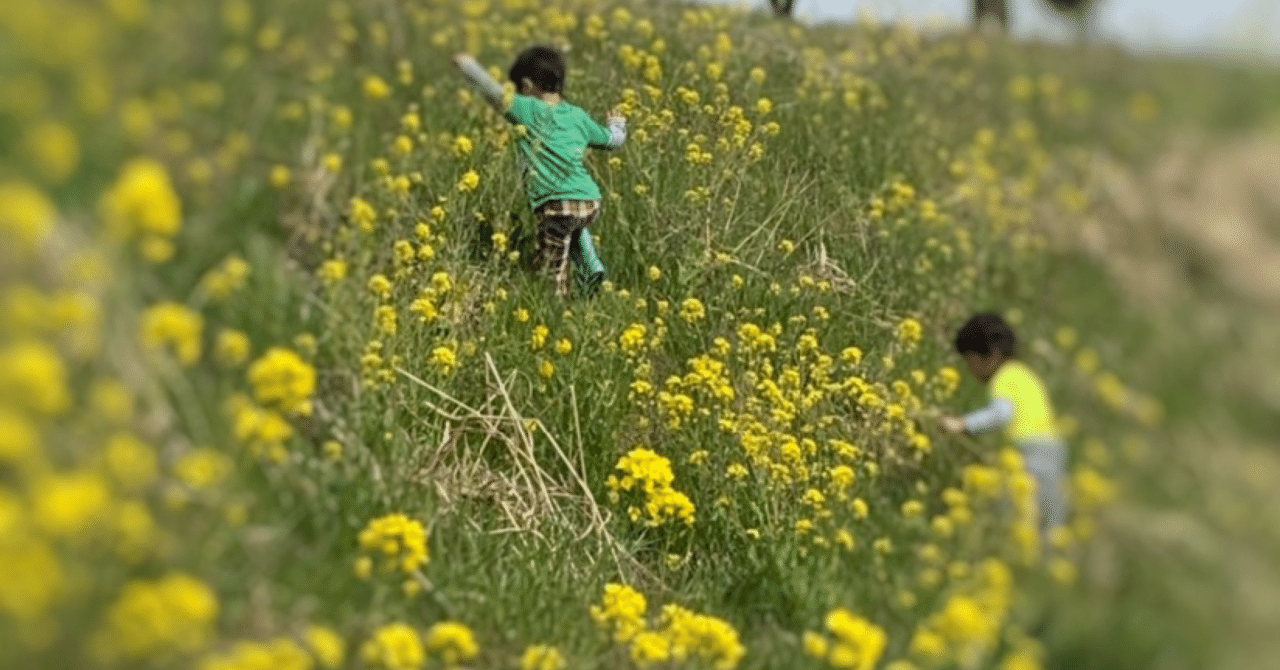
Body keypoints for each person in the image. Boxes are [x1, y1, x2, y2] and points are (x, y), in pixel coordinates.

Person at [451, 46, 625, 298]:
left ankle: (558, 304)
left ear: (527, 85)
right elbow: (612, 141)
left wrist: (468, 67)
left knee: (549, 269)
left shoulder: (527, 109)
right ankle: (591, 265)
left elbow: (492, 92)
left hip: (556, 205)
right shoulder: (577, 115)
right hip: (590, 201)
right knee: (573, 224)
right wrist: (618, 125)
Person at [940, 312, 1069, 542]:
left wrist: (962, 424)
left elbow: (1001, 414)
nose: (970, 370)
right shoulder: (1026, 375)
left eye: (971, 361)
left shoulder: (1006, 378)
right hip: (1054, 452)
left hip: (1031, 454)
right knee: (1046, 524)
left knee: (1012, 515)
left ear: (992, 356)